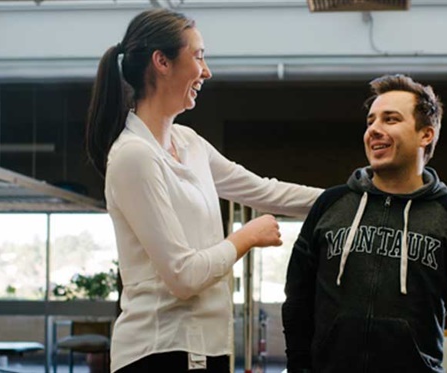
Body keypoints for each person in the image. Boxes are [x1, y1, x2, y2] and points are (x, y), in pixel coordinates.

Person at [84, 8, 323, 373]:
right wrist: (246, 236)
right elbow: (182, 276)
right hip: (159, 351)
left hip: (203, 347)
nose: (206, 71)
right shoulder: (134, 156)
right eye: (198, 56)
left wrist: (353, 196)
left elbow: (264, 191)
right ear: (161, 62)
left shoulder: (189, 143)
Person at [282, 74, 447, 373]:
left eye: (390, 119)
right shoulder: (332, 205)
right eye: (371, 121)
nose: (374, 130)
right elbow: (298, 296)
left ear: (426, 135)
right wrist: (298, 366)